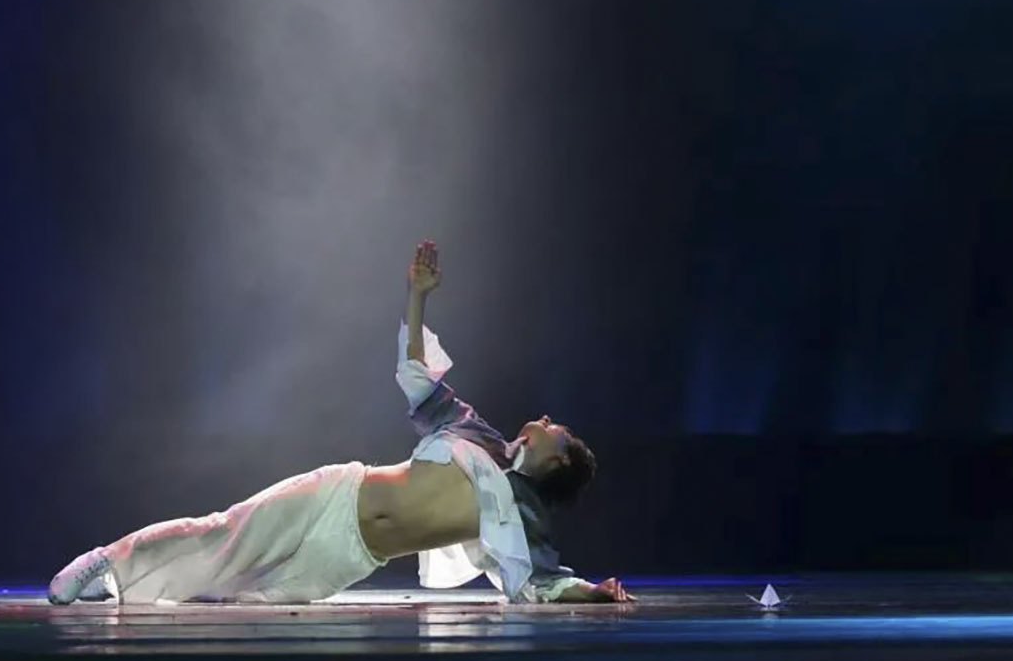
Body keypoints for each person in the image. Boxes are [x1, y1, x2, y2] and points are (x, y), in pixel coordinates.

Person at [47, 240, 634, 605]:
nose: (547, 419)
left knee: (241, 594)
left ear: (558, 459)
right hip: (336, 497)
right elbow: (417, 377)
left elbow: (543, 580)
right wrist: (417, 296)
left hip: (349, 556)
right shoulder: (475, 433)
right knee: (225, 532)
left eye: (558, 429)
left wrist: (595, 593)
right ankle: (108, 562)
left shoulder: (522, 518)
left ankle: (128, 590)